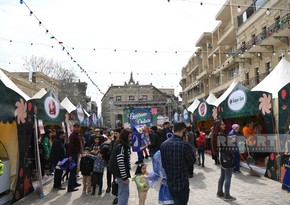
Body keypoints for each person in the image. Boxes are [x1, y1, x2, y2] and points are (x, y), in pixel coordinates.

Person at [160, 122, 196, 205]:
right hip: (182, 183)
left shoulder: (163, 145)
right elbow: (192, 161)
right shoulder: (185, 145)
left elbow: (163, 164)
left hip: (170, 182)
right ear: (183, 130)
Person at [215, 119, 236, 201]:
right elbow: (227, 148)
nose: (224, 125)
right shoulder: (222, 135)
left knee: (222, 176)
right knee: (228, 177)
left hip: (222, 158)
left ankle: (219, 192)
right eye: (222, 124)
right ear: (219, 126)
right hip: (227, 158)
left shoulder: (219, 134)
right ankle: (227, 195)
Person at [109, 129, 132, 205]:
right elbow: (120, 163)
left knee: (122, 193)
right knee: (123, 194)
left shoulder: (120, 145)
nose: (130, 138)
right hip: (121, 174)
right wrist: (124, 177)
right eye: (129, 137)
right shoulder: (122, 146)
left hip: (120, 174)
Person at [67, 123, 82, 192]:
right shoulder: (72, 136)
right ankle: (70, 187)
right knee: (72, 171)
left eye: (78, 127)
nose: (77, 129)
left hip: (77, 154)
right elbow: (70, 146)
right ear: (73, 128)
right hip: (73, 155)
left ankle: (74, 183)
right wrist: (70, 155)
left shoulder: (78, 135)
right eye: (76, 127)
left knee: (75, 170)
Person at [109, 127, 123, 204]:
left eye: (116, 134)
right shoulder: (113, 142)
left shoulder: (123, 142)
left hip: (121, 165)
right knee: (116, 180)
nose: (115, 135)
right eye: (114, 134)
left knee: (121, 181)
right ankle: (117, 196)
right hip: (115, 164)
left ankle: (120, 196)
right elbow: (111, 151)